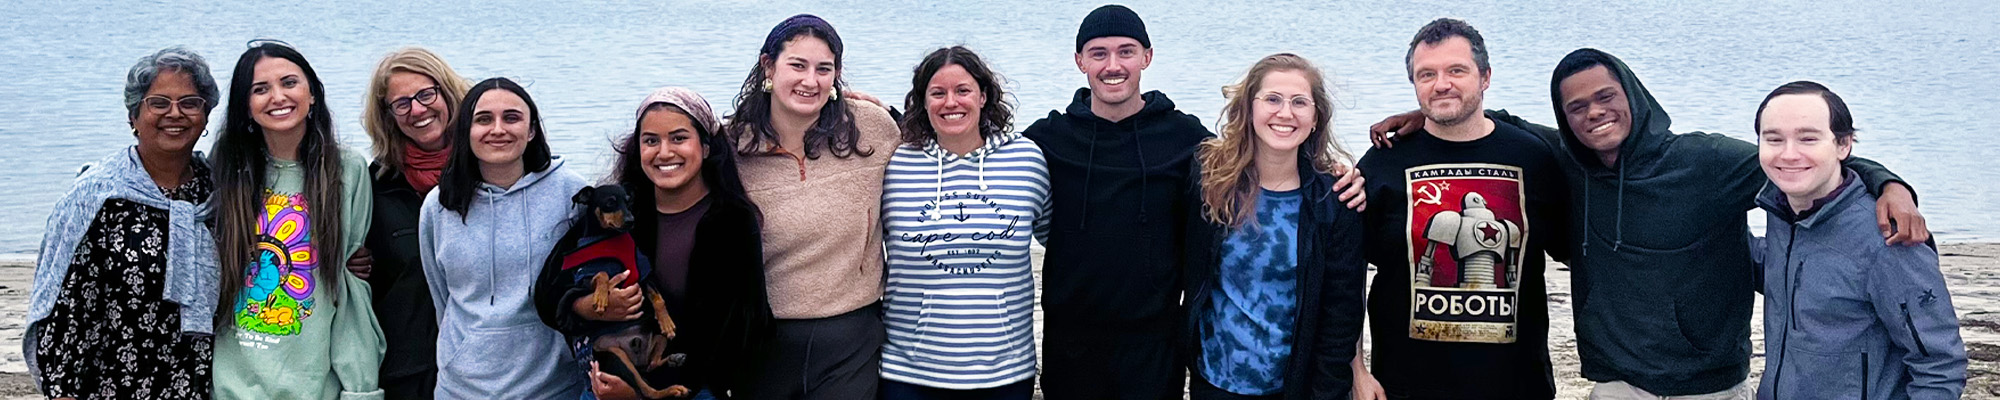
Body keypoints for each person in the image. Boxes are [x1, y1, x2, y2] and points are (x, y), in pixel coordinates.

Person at [1368, 47, 1928, 398]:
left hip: (1707, 382)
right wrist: (1429, 116)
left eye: (1606, 97)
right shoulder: (1565, 157)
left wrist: (1889, 184)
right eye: (1577, 108)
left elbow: (1800, 158)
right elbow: (1495, 124)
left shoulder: (1705, 161)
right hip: (1612, 379)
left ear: (1633, 95)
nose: (1593, 113)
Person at [1350, 19, 1571, 400]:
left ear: (1485, 77)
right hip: (1405, 386)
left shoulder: (1536, 157)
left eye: (1456, 70)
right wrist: (1356, 370)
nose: (1441, 84)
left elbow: (1581, 243)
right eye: (1426, 74)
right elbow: (1345, 274)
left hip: (1518, 386)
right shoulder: (1382, 163)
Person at [533, 86, 773, 400]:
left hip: (695, 388)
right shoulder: (618, 209)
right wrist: (586, 307)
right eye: (651, 141)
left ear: (705, 145)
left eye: (678, 138)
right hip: (609, 383)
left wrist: (641, 394)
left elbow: (742, 330)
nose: (664, 152)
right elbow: (547, 293)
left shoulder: (731, 221)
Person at [26, 46, 223, 400]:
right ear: (133, 116)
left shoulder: (220, 192)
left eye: (189, 103)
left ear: (205, 116)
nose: (174, 114)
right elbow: (64, 311)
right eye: (158, 103)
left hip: (206, 386)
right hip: (113, 386)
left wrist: (353, 256)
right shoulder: (97, 196)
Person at [1748, 81, 1965, 399]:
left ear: (1843, 145)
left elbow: (1940, 366)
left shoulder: (1889, 237)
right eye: (1774, 139)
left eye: (1808, 138)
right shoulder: (1782, 215)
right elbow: (1794, 274)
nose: (1789, 153)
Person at [723, 14, 901, 399]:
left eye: (824, 69)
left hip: (852, 337)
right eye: (797, 65)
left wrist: (891, 108)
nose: (811, 81)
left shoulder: (873, 127)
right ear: (768, 66)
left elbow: (936, 146)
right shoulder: (729, 146)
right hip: (762, 340)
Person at [1180, 53, 1366, 400]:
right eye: (1273, 99)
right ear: (1249, 110)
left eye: (1299, 102)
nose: (1285, 113)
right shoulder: (1209, 181)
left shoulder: (1336, 201)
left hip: (1295, 387)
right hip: (1214, 383)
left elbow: (1341, 315)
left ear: (1315, 118)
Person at [208, 40, 384, 399]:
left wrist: (360, 389)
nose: (278, 96)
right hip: (230, 388)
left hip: (313, 387)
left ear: (312, 93)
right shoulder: (225, 167)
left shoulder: (347, 170)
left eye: (289, 82)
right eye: (260, 89)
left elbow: (350, 293)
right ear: (246, 105)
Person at [878, 46, 1047, 400]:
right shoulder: (895, 165)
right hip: (909, 373)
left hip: (1005, 372)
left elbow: (1056, 238)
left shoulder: (1027, 160)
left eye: (963, 91)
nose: (950, 102)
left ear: (983, 96)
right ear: (922, 102)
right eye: (937, 93)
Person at [418, 77, 588, 399]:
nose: (498, 129)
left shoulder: (571, 193)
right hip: (461, 389)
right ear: (466, 130)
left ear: (532, 129)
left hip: (554, 387)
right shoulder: (439, 206)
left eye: (511, 118)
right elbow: (442, 296)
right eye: (484, 119)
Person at [352, 46, 473, 400]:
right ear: (387, 115)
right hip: (407, 371)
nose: (417, 110)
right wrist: (349, 263)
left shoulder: (491, 172)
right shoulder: (374, 185)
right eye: (401, 103)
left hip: (487, 367)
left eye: (426, 94)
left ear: (448, 93)